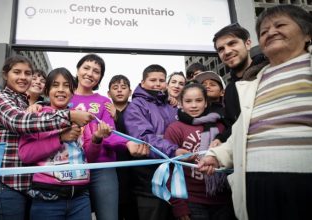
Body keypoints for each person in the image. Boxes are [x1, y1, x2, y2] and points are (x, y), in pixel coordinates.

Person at [198, 4, 312, 220]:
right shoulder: (247, 86)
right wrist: (217, 155)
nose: (271, 32)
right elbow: (242, 129)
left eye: (280, 25)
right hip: (255, 185)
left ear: (307, 33)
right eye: (265, 31)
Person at [0, 55, 94, 219]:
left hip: (30, 186)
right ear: (5, 74)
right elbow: (19, 123)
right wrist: (68, 118)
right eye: (17, 72)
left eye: (28, 73)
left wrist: (97, 138)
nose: (23, 77)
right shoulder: (0, 97)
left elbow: (88, 151)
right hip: (7, 184)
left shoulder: (28, 104)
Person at [18, 67, 112, 220]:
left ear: (73, 91)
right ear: (47, 90)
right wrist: (60, 138)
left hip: (81, 198)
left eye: (67, 86)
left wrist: (96, 139)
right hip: (46, 199)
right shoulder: (37, 115)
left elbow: (89, 157)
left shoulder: (81, 117)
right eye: (55, 85)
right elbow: (25, 155)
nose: (61, 90)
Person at [70, 54, 148, 220]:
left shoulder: (104, 101)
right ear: (77, 70)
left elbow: (110, 133)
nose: (90, 73)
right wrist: (37, 106)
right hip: (70, 167)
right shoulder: (65, 96)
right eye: (86, 68)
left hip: (102, 167)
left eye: (96, 71)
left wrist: (127, 144)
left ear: (100, 78)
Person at [164, 83, 235, 220]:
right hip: (191, 200)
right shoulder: (174, 129)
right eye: (188, 101)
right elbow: (168, 169)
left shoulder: (222, 127)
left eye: (199, 100)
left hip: (224, 199)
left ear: (206, 103)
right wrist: (179, 204)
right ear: (180, 103)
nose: (194, 105)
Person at [124, 64, 178, 220]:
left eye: (162, 80)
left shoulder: (172, 104)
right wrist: (174, 150)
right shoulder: (135, 106)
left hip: (175, 171)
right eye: (153, 80)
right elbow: (144, 136)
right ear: (142, 82)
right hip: (148, 175)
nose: (158, 83)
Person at [210, 22, 269, 148]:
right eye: (221, 49)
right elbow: (234, 125)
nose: (227, 51)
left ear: (248, 44)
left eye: (232, 43)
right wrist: (221, 139)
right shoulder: (230, 90)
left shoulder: (268, 73)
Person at [106, 75, 138, 220]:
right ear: (108, 93)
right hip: (113, 164)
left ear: (130, 91)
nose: (119, 91)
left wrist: (117, 117)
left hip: (135, 166)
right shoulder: (104, 109)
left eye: (123, 87)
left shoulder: (137, 108)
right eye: (115, 88)